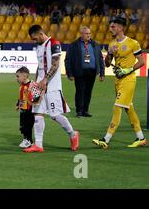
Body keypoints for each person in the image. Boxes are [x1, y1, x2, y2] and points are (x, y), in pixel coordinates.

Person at [92, 17, 147, 149]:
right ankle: (141, 138)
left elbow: (142, 62)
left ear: (121, 28)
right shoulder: (111, 44)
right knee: (128, 108)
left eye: (113, 27)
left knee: (117, 107)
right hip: (117, 80)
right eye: (111, 27)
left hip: (129, 80)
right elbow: (107, 64)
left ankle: (106, 139)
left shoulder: (133, 43)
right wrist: (108, 55)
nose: (111, 29)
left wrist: (128, 69)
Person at [24, 25, 79, 153]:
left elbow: (55, 64)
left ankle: (73, 134)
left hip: (52, 86)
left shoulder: (54, 43)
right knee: (37, 114)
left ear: (40, 33)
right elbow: (40, 67)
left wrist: (45, 80)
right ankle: (38, 144)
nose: (34, 41)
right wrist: (36, 82)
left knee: (54, 115)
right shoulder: (38, 47)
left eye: (35, 38)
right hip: (40, 85)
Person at [65, 26, 105, 117]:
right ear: (81, 34)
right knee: (80, 91)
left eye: (89, 33)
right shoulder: (74, 45)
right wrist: (69, 73)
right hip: (79, 72)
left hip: (92, 72)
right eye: (86, 33)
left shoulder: (95, 44)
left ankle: (85, 110)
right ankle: (79, 110)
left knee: (88, 92)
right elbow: (68, 60)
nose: (88, 35)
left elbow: (100, 59)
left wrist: (102, 73)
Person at [15, 67, 35, 149]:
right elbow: (21, 97)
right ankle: (26, 139)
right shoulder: (22, 86)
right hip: (23, 109)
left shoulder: (32, 85)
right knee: (22, 126)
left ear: (25, 75)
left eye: (17, 76)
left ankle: (29, 141)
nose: (16, 78)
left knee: (28, 126)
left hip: (30, 110)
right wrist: (18, 104)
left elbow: (35, 97)